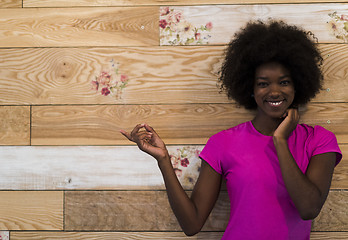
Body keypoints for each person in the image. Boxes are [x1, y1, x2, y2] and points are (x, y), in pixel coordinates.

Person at [120, 20, 342, 239]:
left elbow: (309, 208)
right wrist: (163, 160)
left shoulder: (319, 141)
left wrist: (280, 141)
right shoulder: (223, 143)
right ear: (250, 89)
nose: (274, 91)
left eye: (284, 82)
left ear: (298, 84)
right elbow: (192, 223)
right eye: (263, 83)